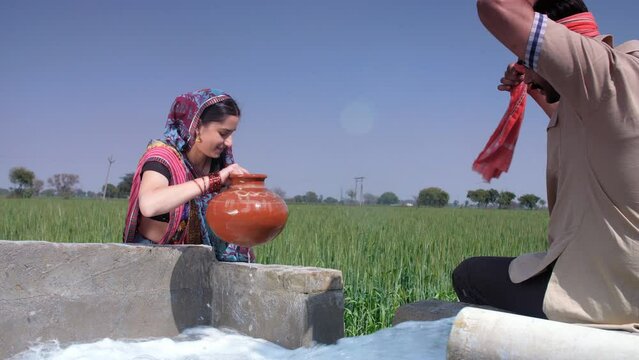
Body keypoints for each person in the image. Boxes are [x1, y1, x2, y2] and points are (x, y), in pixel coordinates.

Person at [453, 0, 639, 329]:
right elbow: (565, 116)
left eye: (530, 58)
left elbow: (496, 6)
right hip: (616, 278)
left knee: (469, 276)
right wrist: (531, 81)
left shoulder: (604, 75)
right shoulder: (611, 93)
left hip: (611, 295)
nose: (526, 69)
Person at [123, 88, 254, 262]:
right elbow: (150, 204)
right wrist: (213, 181)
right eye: (223, 133)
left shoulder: (219, 163)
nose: (229, 142)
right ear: (197, 126)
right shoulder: (162, 157)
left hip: (200, 265)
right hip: (152, 265)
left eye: (232, 134)